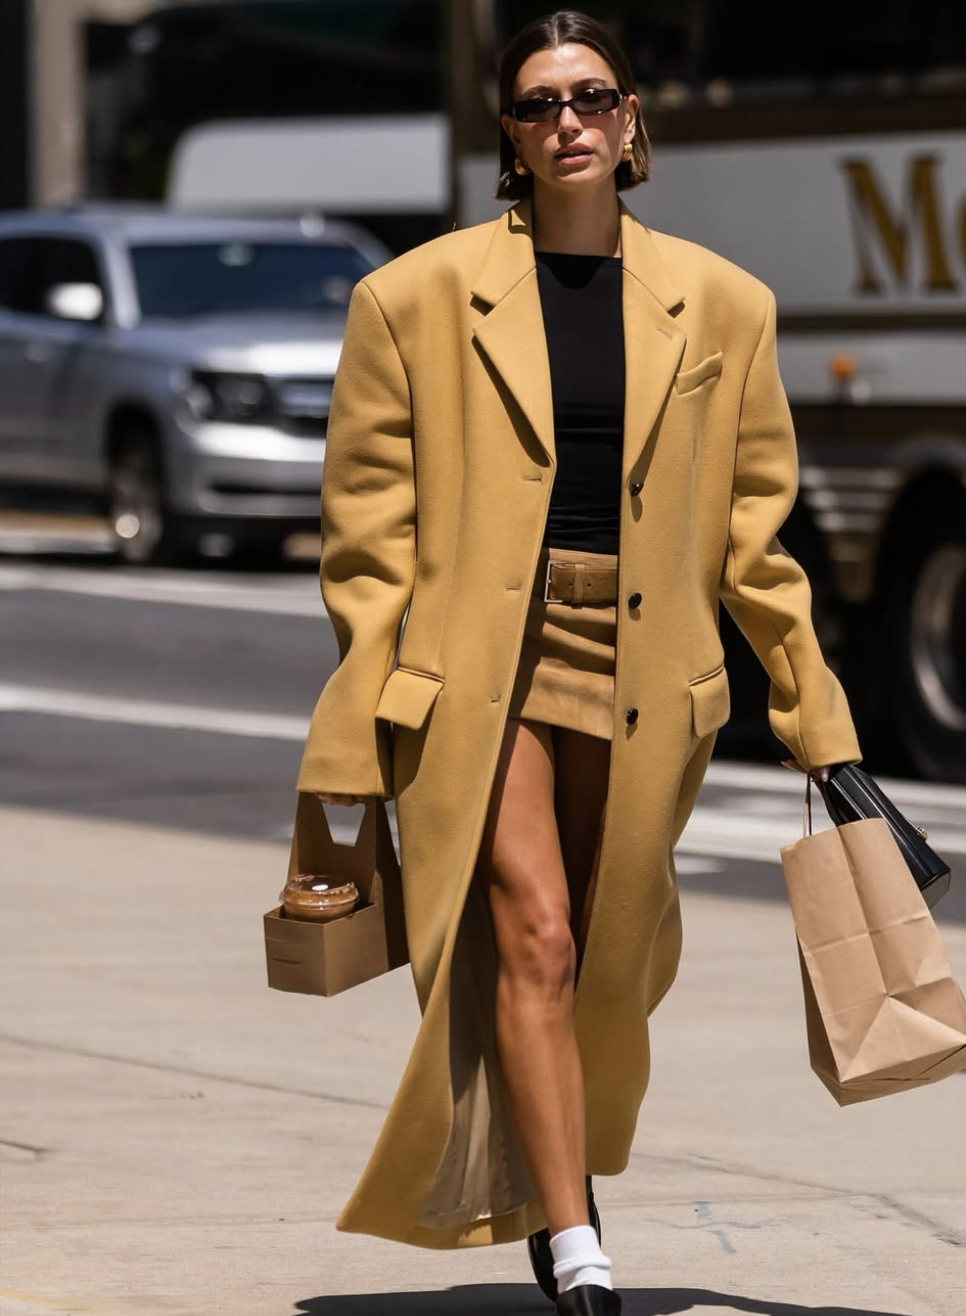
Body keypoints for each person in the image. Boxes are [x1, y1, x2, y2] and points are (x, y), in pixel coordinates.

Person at [296, 10, 860, 1315]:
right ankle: (574, 1239)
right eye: (540, 105)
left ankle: (557, 1176)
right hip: (478, 666)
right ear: (509, 133)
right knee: (534, 930)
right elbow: (365, 540)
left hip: (650, 665)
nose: (568, 124)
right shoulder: (411, 299)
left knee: (608, 955)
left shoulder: (727, 303)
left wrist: (814, 721)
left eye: (590, 98)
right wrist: (357, 727)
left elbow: (755, 539)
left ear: (631, 117)